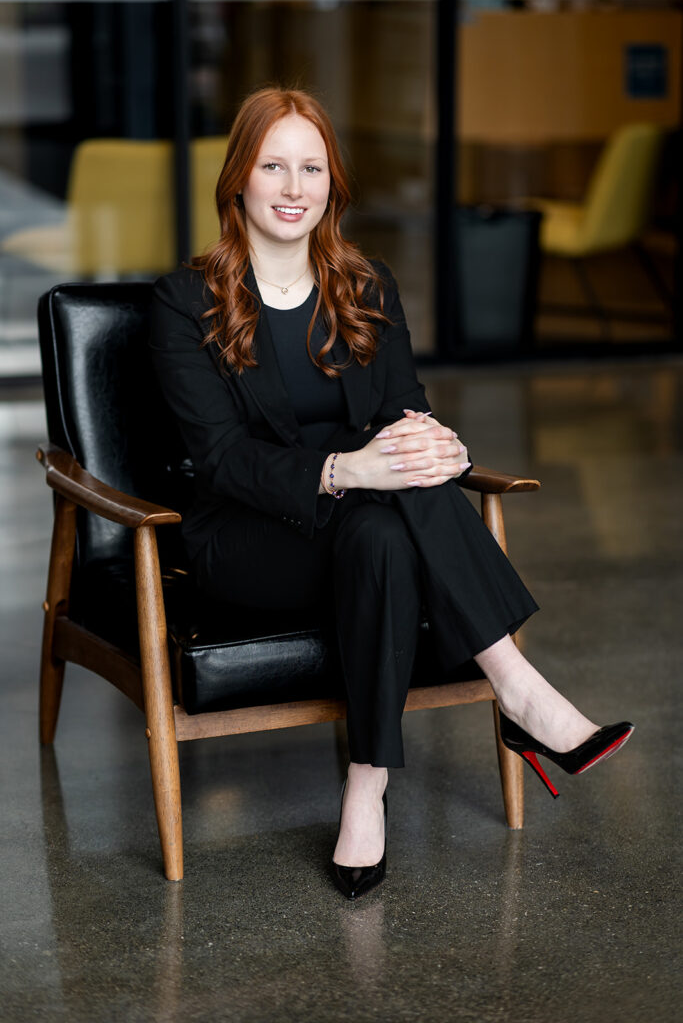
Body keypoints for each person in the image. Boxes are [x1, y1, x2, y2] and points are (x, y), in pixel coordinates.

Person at [150, 87, 634, 900]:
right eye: (274, 165)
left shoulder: (366, 287)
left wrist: (440, 447)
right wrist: (342, 470)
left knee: (383, 526)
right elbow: (222, 459)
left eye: (312, 167)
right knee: (382, 499)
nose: (294, 186)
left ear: (333, 184)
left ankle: (365, 785)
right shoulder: (184, 301)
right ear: (238, 178)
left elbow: (402, 416)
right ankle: (517, 688)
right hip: (244, 541)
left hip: (360, 528)